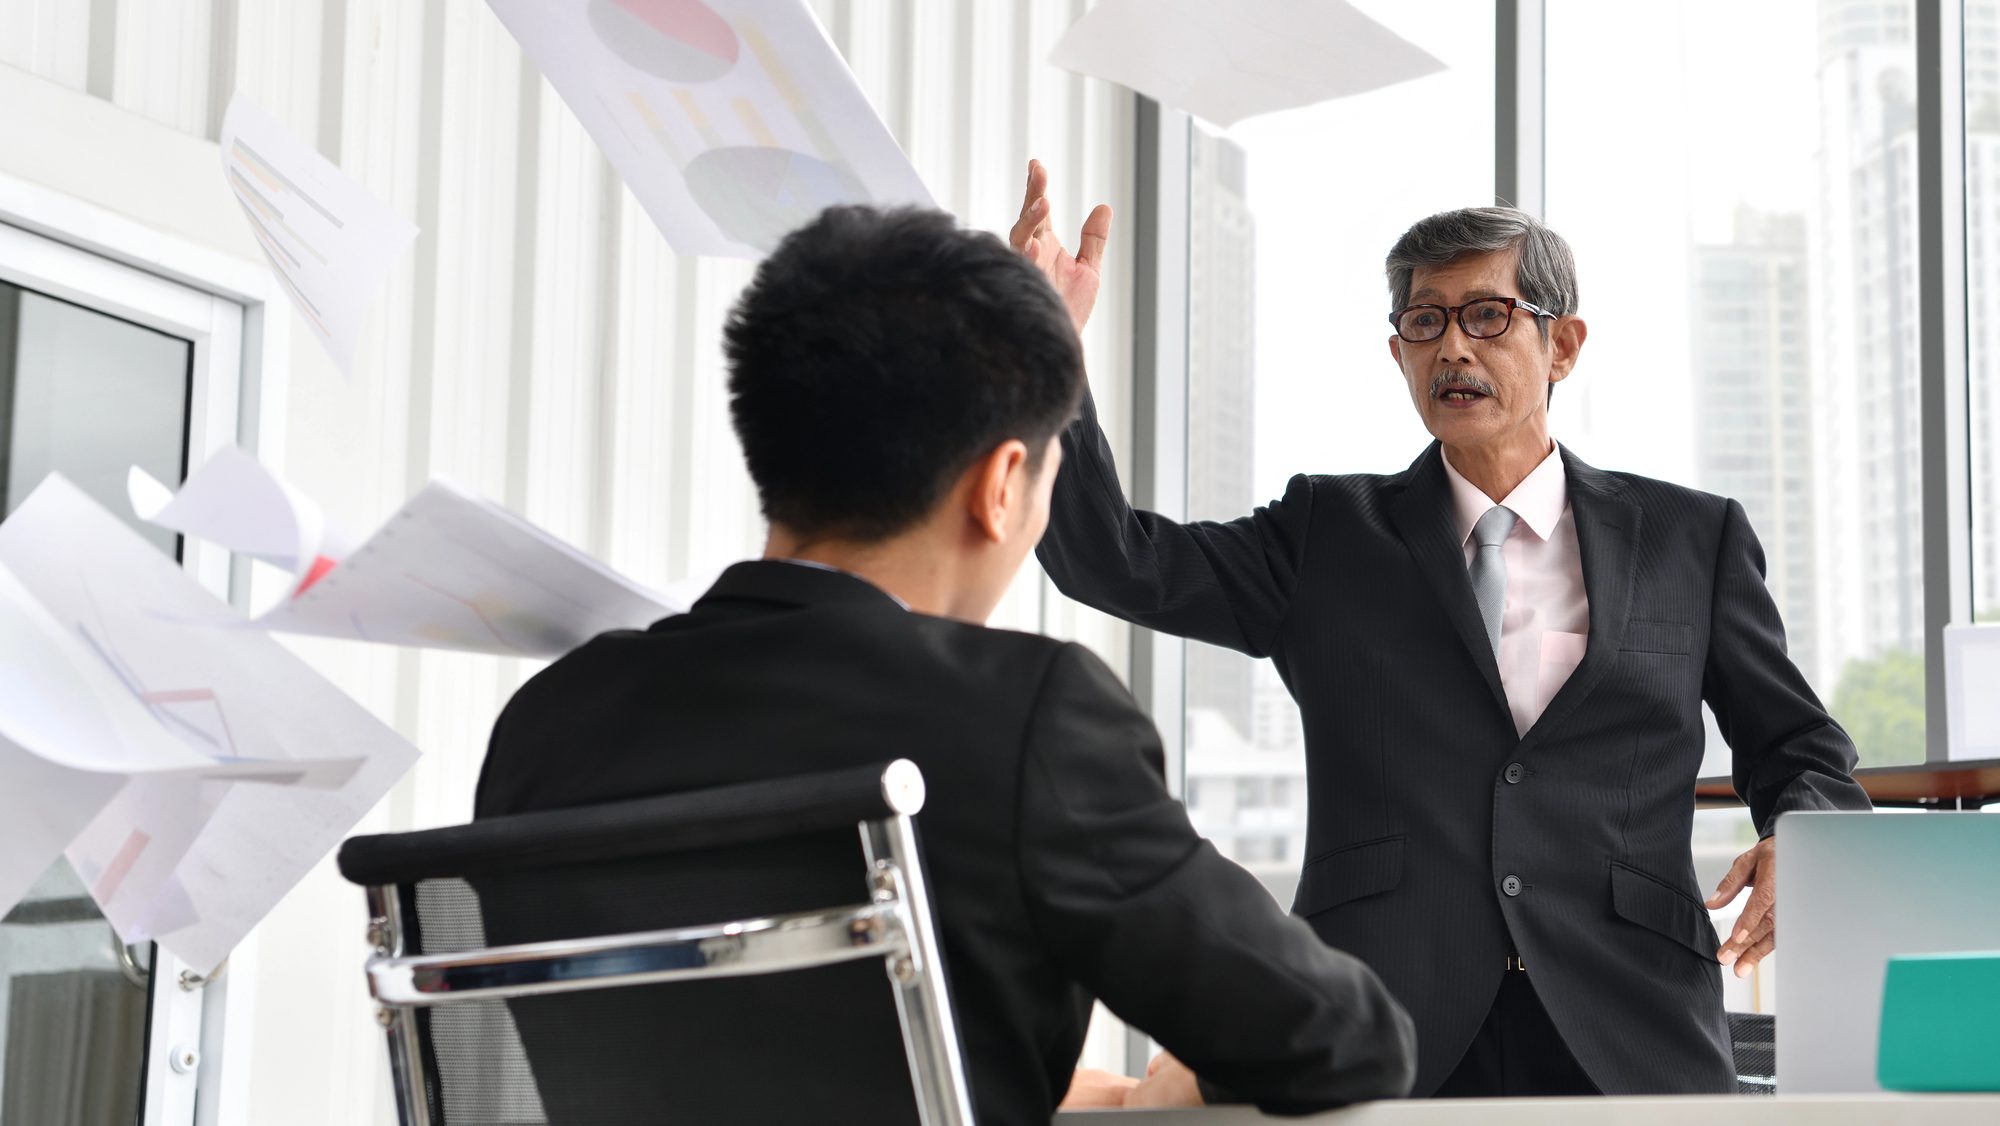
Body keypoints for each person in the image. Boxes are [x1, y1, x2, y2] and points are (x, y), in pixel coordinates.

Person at [475, 205, 1416, 1121]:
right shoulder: (1025, 718)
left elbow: (699, 1044)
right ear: (1002, 486)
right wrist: (1169, 1090)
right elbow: (1339, 1037)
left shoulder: (550, 719)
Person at [1012, 161, 1873, 1096]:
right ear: (1400, 355)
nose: (1453, 346)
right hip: (1386, 1019)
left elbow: (1799, 746)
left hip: (1630, 1021)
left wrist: (1806, 840)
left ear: (1563, 345)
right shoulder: (1325, 534)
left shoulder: (1691, 539)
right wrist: (1044, 345)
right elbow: (1114, 559)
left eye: (1488, 315)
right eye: (1426, 322)